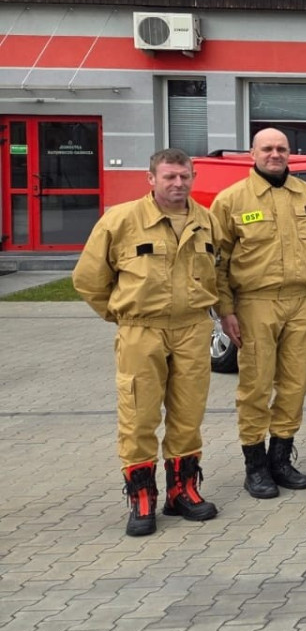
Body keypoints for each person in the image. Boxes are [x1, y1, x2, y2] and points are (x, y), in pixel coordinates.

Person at [73, 148, 227, 537]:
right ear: (151, 179)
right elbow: (88, 279)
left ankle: (183, 490)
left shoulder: (206, 221)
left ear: (193, 178)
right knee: (139, 414)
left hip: (192, 329)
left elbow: (217, 274)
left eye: (184, 176)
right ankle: (142, 497)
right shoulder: (122, 220)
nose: (178, 183)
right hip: (142, 330)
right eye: (170, 177)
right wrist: (121, 315)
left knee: (188, 414)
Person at [211, 128, 306, 499]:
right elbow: (217, 261)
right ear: (253, 153)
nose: (275, 154)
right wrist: (225, 310)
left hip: (302, 301)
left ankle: (281, 457)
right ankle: (255, 465)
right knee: (256, 386)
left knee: (296, 383)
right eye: (267, 149)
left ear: (290, 153)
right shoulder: (231, 200)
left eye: (281, 148)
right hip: (255, 303)